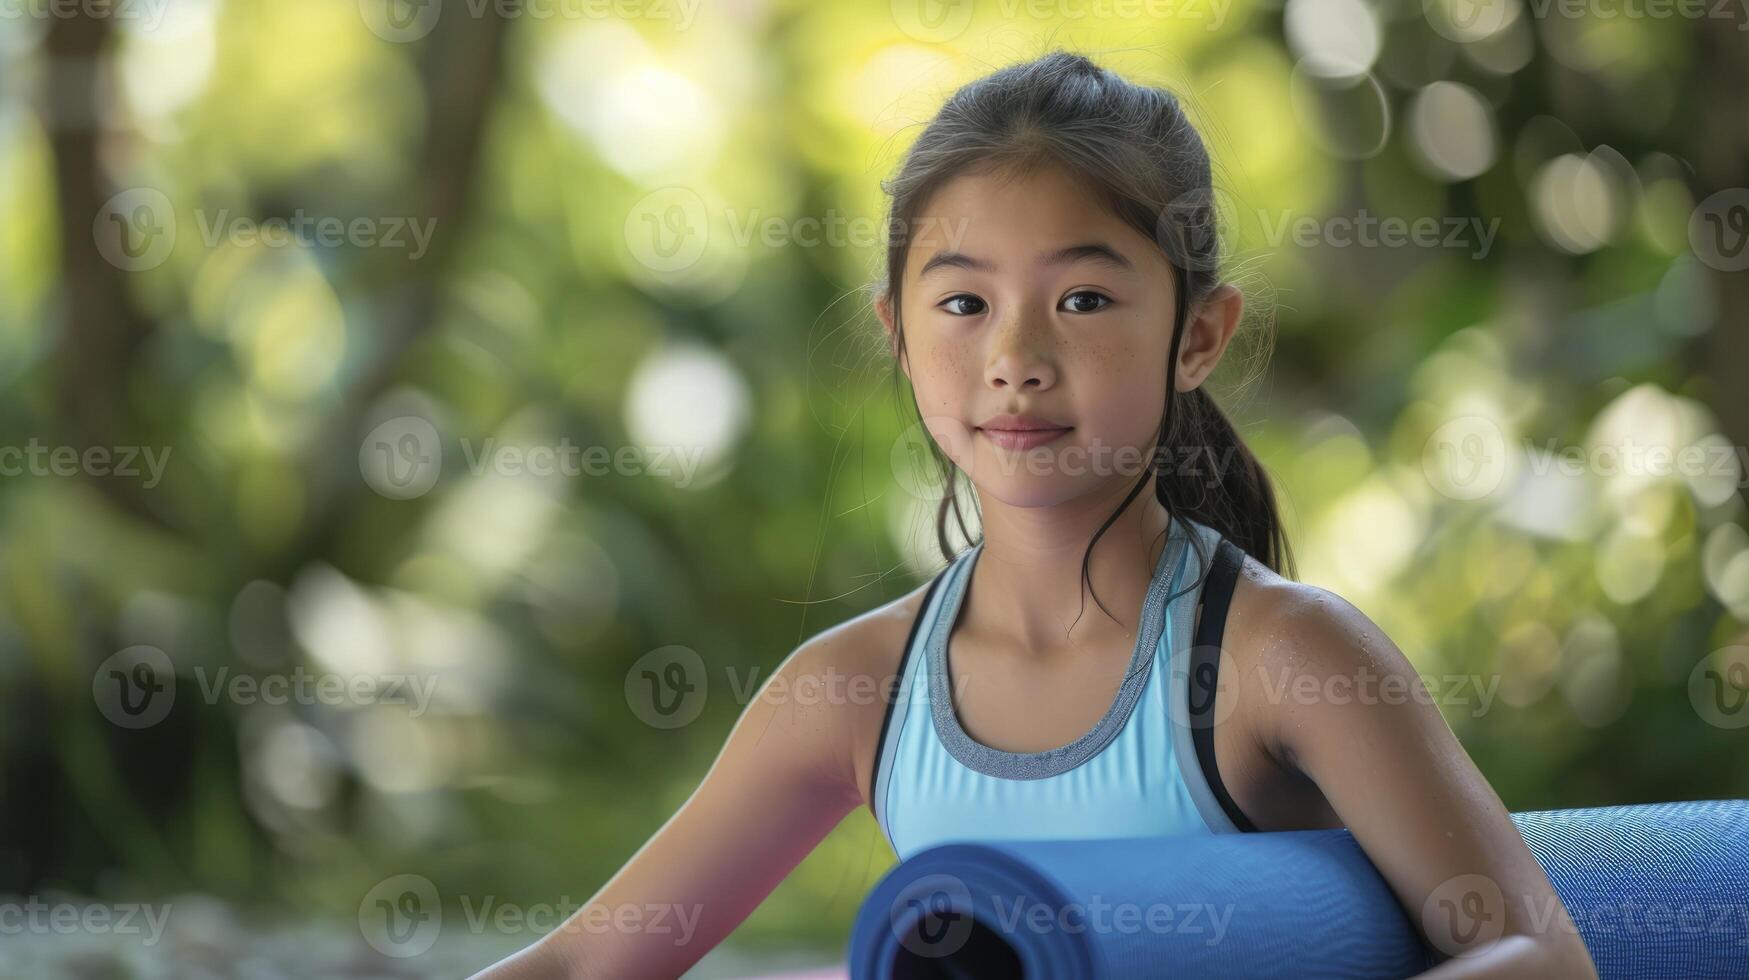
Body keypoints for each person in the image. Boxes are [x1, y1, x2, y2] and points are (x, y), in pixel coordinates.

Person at [473, 50, 1598, 979]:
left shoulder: (1282, 655)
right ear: (899, 334)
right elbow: (586, 966)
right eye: (963, 301)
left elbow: (1540, 956)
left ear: (1198, 334)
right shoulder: (855, 692)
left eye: (1085, 299)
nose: (1016, 359)